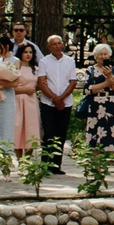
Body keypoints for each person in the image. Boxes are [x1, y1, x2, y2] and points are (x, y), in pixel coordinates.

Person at [83, 43, 114, 181]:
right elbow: (88, 89)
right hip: (95, 106)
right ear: (96, 56)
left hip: (110, 105)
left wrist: (110, 77)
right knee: (95, 136)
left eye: (105, 54)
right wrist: (105, 84)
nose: (103, 57)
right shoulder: (90, 70)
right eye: (100, 54)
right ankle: (96, 169)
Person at [36, 35, 77, 182]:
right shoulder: (44, 61)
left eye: (59, 43)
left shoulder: (70, 61)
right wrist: (54, 98)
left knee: (61, 133)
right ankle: (45, 163)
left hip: (65, 102)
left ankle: (56, 165)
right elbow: (41, 82)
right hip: (48, 102)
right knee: (49, 132)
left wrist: (62, 98)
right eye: (54, 44)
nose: (57, 46)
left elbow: (72, 82)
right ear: (49, 47)